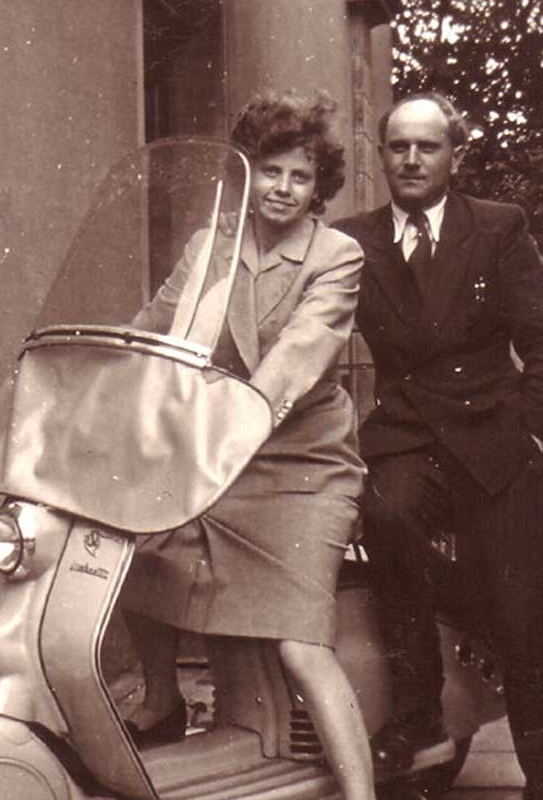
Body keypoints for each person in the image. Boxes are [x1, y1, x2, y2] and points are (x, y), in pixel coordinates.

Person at [121, 92, 375, 800]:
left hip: (302, 468)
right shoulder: (212, 246)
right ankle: (163, 699)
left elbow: (301, 353)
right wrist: (102, 374)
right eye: (270, 171)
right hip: (218, 455)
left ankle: (362, 794)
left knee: (301, 644)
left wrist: (236, 417)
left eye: (300, 176)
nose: (283, 188)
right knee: (134, 548)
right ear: (246, 173)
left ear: (318, 186)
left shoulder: (336, 255)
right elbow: (154, 328)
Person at [333, 92, 543, 800]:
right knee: (386, 514)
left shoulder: (498, 227)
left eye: (428, 146)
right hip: (408, 438)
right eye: (398, 147)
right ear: (382, 156)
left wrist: (531, 431)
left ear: (455, 156)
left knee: (525, 612)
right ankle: (418, 721)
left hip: (495, 440)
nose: (411, 159)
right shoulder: (351, 241)